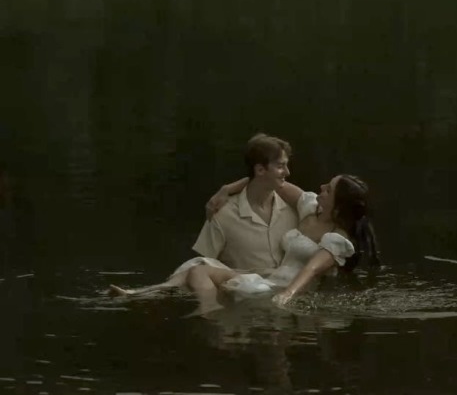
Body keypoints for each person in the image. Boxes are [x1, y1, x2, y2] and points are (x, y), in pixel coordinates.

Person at [108, 133, 299, 312]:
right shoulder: (223, 214)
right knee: (196, 266)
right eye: (281, 166)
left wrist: (227, 188)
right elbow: (204, 266)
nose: (288, 172)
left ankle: (141, 293)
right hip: (246, 293)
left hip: (286, 290)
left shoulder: (294, 209)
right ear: (260, 169)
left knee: (196, 267)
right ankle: (142, 293)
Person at [210, 173, 380, 306]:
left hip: (290, 290)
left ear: (337, 207)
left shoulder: (337, 239)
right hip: (271, 279)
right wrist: (226, 189)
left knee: (212, 277)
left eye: (328, 190)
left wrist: (287, 295)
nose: (321, 187)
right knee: (202, 268)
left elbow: (311, 269)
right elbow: (270, 180)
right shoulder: (309, 207)